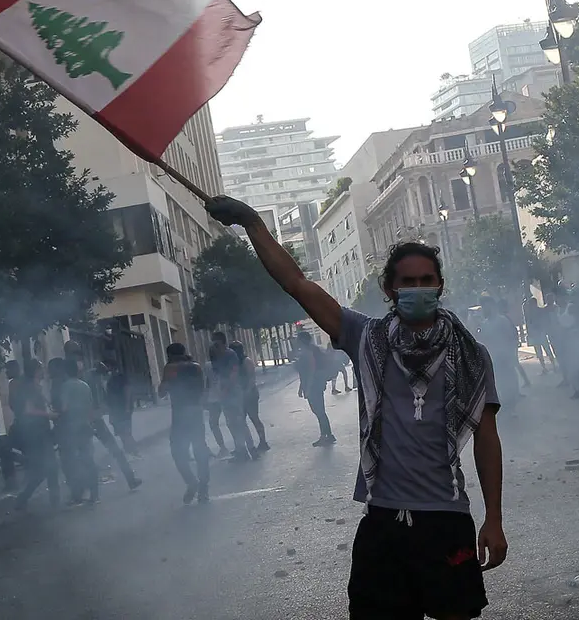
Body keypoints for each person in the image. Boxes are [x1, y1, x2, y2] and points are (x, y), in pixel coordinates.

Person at [207, 196, 508, 620]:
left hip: (446, 519)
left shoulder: (471, 355)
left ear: (440, 285)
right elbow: (297, 284)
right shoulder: (367, 338)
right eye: (408, 282)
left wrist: (493, 519)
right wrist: (252, 223)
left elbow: (486, 438)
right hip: (383, 521)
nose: (418, 289)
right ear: (390, 290)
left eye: (427, 280)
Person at [63, 343, 142, 492]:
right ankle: (84, 489)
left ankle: (129, 478)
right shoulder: (72, 374)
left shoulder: (87, 373)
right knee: (84, 454)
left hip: (89, 418)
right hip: (82, 420)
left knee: (107, 450)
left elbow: (102, 378)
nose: (78, 358)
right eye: (75, 354)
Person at [160, 343, 210, 504]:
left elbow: (162, 392)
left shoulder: (170, 368)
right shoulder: (196, 367)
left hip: (180, 414)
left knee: (178, 451)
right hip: (196, 412)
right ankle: (204, 489)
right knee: (200, 450)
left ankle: (191, 481)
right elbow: (203, 389)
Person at [12, 360, 60, 511]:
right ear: (35, 371)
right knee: (47, 468)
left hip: (40, 432)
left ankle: (51, 501)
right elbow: (28, 410)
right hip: (37, 433)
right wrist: (49, 415)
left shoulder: (34, 387)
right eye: (40, 367)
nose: (43, 370)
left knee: (47, 468)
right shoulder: (29, 388)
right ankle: (26, 498)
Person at [210, 332, 258, 462]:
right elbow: (216, 374)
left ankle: (251, 449)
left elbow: (234, 373)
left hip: (233, 393)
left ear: (222, 342)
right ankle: (241, 450)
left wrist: (225, 389)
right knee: (231, 423)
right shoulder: (215, 355)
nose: (214, 345)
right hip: (224, 393)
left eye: (216, 342)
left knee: (239, 422)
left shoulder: (230, 354)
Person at [60, 359, 99, 506]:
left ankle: (77, 495)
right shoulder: (85, 386)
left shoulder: (65, 386)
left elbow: (64, 408)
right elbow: (90, 408)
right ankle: (95, 495)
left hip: (72, 428)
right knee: (88, 460)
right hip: (85, 426)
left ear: (65, 371)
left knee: (73, 462)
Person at [294, 332, 336, 447]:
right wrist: (301, 387)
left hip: (314, 386)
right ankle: (328, 435)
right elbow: (304, 373)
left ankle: (325, 436)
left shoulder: (307, 352)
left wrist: (307, 388)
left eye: (298, 339)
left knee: (319, 411)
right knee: (319, 411)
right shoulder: (309, 351)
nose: (296, 341)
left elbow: (310, 371)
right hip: (315, 385)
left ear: (302, 340)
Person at [229, 340, 269, 452]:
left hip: (249, 394)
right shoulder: (234, 362)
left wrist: (246, 392)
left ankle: (263, 442)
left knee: (254, 418)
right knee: (240, 420)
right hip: (240, 394)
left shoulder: (246, 361)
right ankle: (242, 446)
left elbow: (251, 378)